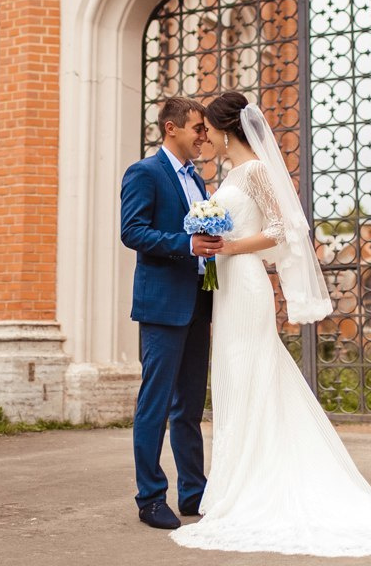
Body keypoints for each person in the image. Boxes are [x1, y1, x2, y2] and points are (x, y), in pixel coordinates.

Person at [169, 91, 371, 556]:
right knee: (238, 382)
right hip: (228, 291)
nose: (205, 140)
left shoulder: (256, 170)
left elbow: (284, 230)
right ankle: (239, 482)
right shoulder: (230, 175)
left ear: (224, 129)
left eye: (209, 131)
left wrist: (230, 247)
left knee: (252, 377)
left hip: (247, 286)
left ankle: (253, 486)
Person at [119, 97, 223, 530]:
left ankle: (193, 494)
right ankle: (150, 498)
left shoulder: (198, 181)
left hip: (199, 302)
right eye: (197, 128)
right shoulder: (145, 173)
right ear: (171, 128)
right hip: (162, 306)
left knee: (190, 406)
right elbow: (132, 231)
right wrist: (187, 245)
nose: (204, 136)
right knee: (155, 404)